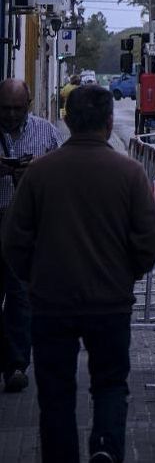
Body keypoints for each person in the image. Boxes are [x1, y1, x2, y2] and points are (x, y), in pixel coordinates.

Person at [2, 84, 155, 463]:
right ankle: (106, 446)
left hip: (51, 303)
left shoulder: (39, 174)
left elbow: (14, 238)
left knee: (55, 392)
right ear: (108, 122)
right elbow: (149, 237)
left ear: (69, 121)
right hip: (110, 302)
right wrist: (127, 275)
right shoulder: (129, 173)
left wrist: (32, 278)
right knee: (110, 384)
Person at [0, 78, 61, 393]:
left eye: (17, 108)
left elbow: (62, 178)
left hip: (24, 225)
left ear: (28, 105)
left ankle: (15, 365)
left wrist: (37, 172)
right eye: (5, 109)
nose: (11, 115)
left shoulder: (46, 132)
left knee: (20, 297)